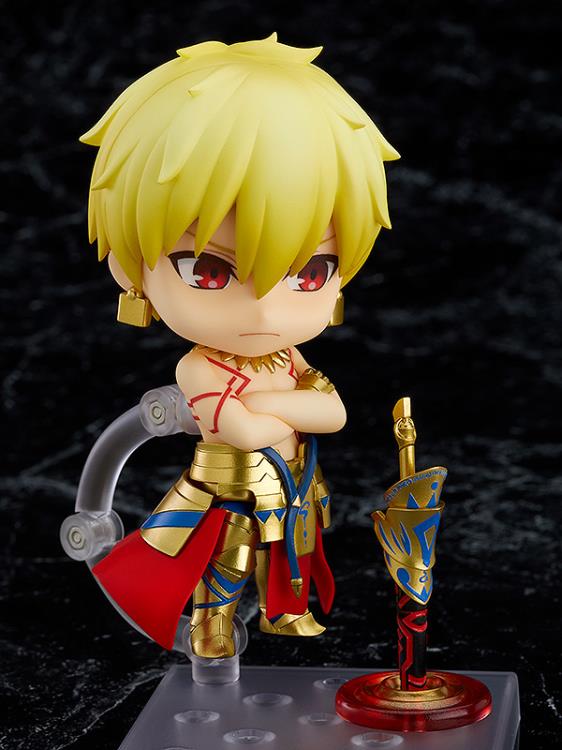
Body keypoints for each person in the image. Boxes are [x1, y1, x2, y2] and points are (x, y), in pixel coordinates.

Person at [83, 34, 399, 659]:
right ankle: (211, 626)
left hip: (292, 484)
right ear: (128, 268)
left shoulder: (280, 359)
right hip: (225, 493)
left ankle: (285, 613)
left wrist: (270, 405)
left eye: (310, 272)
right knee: (226, 564)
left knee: (287, 557)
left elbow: (333, 415)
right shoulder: (200, 365)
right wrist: (290, 405)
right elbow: (248, 432)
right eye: (209, 271)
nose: (264, 310)